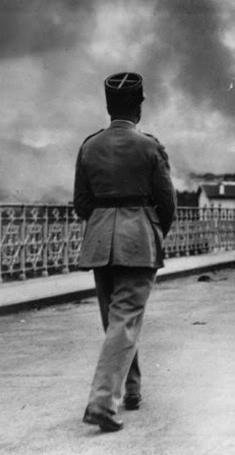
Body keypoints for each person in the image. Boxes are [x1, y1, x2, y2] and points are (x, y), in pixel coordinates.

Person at [73, 71, 176, 431]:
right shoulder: (150, 146)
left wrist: (104, 220)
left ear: (108, 106)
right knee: (125, 320)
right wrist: (150, 230)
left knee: (116, 321)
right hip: (138, 240)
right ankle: (103, 403)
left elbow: (81, 203)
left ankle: (130, 388)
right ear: (139, 106)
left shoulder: (89, 146)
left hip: (99, 242)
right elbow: (168, 203)